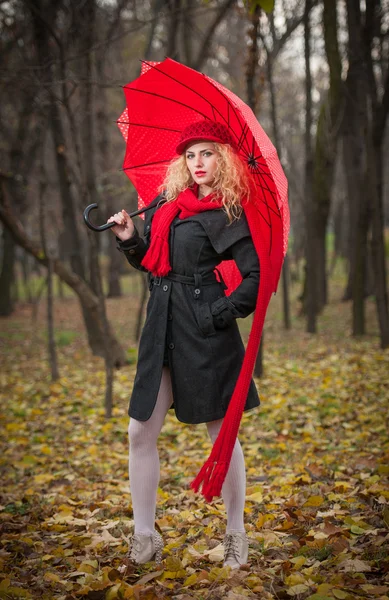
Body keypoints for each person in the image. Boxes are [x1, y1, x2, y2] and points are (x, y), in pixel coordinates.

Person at [108, 120, 260, 569]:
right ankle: (144, 536)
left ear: (224, 159)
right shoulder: (169, 205)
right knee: (140, 430)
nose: (198, 163)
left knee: (221, 436)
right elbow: (153, 262)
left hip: (205, 329)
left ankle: (236, 534)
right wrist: (129, 239)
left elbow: (253, 278)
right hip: (161, 324)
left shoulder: (228, 213)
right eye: (191, 155)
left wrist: (215, 314)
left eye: (207, 153)